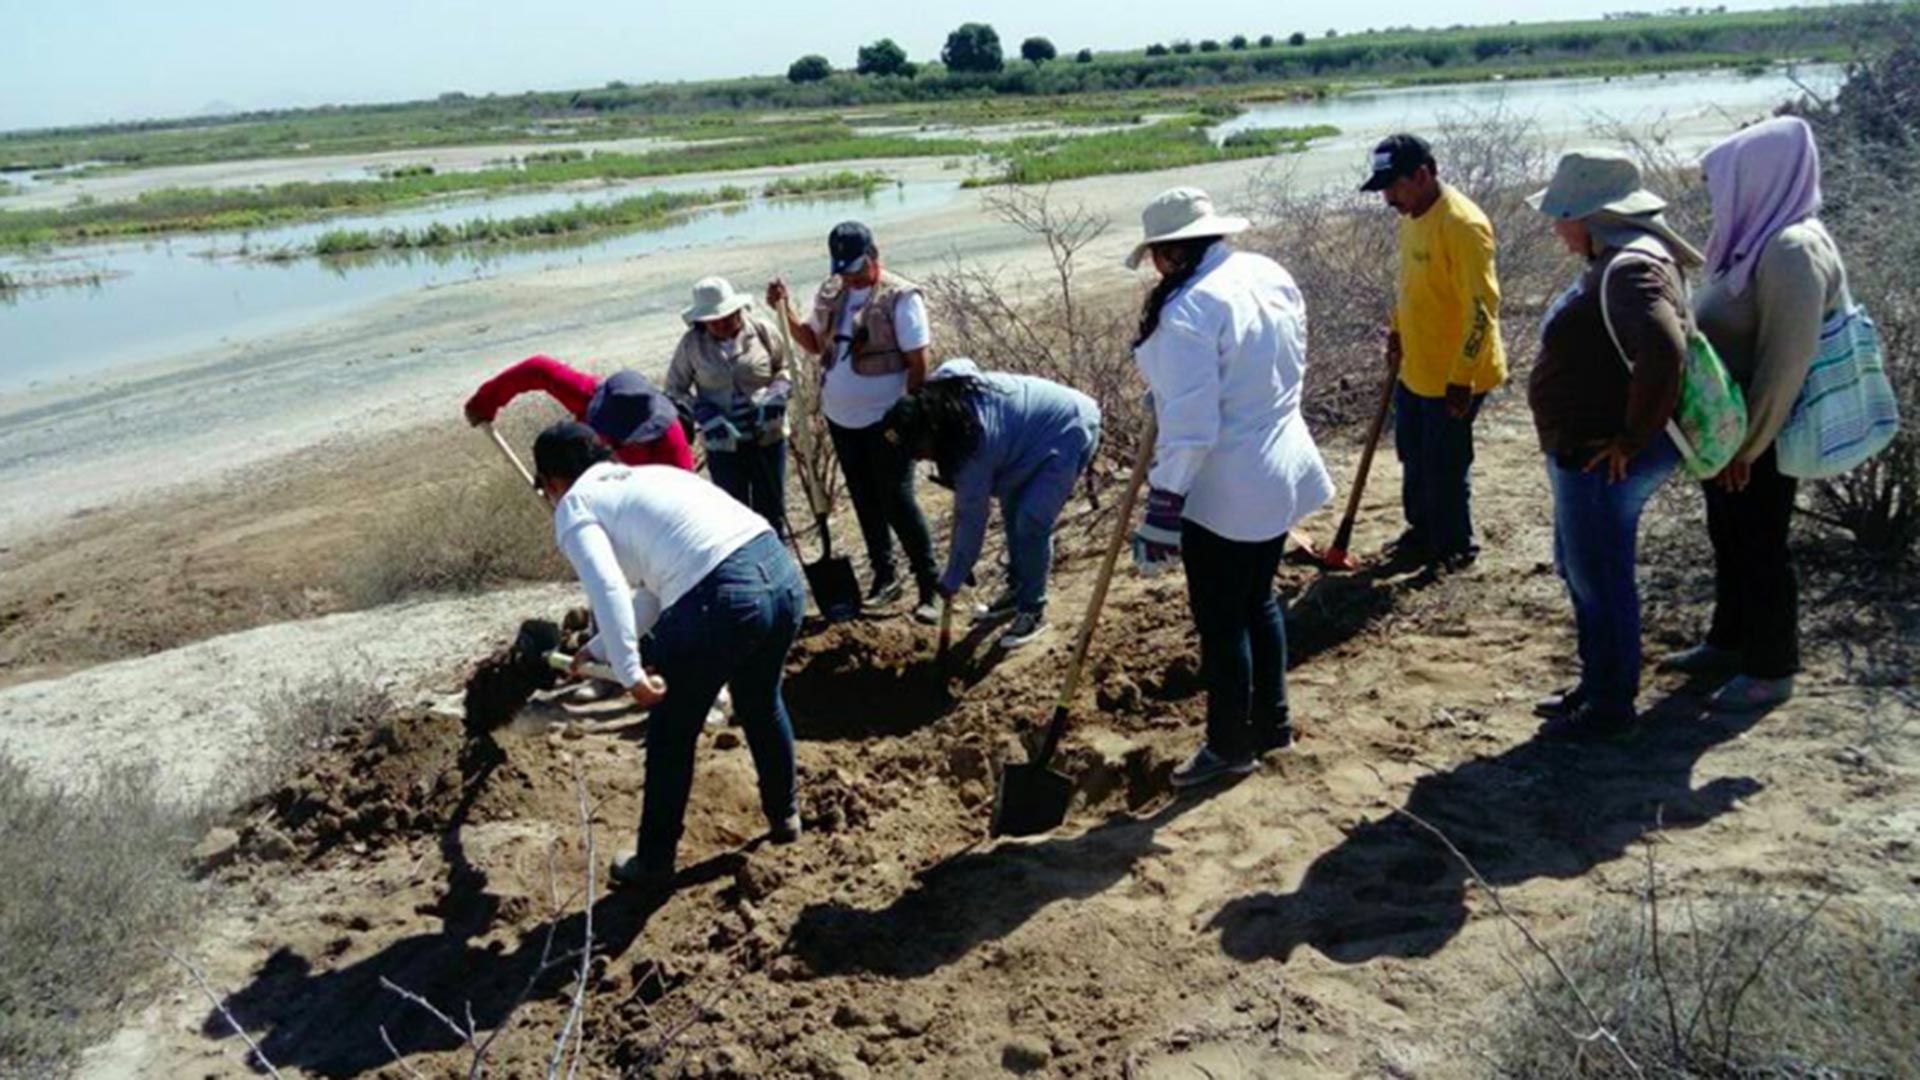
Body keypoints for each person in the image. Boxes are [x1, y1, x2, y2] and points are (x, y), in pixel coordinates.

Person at [532, 421, 805, 892]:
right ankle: (785, 816)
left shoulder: (575, 505)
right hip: (780, 577)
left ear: (554, 481)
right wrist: (596, 650)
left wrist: (630, 672)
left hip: (720, 597)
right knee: (760, 700)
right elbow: (653, 595)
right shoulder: (646, 477)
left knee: (670, 734)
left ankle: (654, 862)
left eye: (546, 489)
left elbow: (609, 589)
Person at [1126, 187, 1335, 788]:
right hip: (1281, 466)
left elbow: (1192, 431)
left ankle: (1229, 745)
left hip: (1225, 487)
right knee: (1258, 600)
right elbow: (1272, 366)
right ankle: (1273, 724)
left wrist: (1163, 506)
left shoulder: (1189, 307)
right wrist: (1167, 390)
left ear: (1168, 253)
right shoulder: (1266, 271)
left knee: (1222, 621)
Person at [1662, 117, 1845, 713]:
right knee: (1731, 535)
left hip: (1759, 434)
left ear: (1760, 177)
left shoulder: (1792, 249)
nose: (1719, 194)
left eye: (1728, 179)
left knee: (1763, 543)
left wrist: (1748, 446)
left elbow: (1784, 364)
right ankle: (1729, 640)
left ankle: (1771, 668)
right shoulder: (1757, 238)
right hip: (1732, 430)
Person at [1526, 150, 1701, 739]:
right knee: (1583, 568)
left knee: (1599, 574)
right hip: (1583, 453)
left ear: (1592, 216)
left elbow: (1664, 349)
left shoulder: (1629, 268)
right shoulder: (1626, 259)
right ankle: (1597, 684)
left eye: (1561, 214)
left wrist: (1632, 438)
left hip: (1599, 457)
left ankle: (1609, 706)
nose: (1555, 226)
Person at [766, 221, 941, 623]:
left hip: (888, 419)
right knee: (864, 499)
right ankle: (885, 577)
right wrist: (785, 310)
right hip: (841, 418)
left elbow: (918, 363)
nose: (849, 273)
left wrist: (909, 415)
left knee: (896, 500)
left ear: (873, 254)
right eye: (843, 266)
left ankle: (929, 584)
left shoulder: (901, 297)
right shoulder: (832, 292)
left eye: (856, 264)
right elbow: (812, 343)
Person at [882, 359, 1101, 650]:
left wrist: (952, 579)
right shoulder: (945, 400)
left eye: (918, 449)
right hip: (1024, 440)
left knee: (1031, 519)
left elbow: (971, 517)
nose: (920, 458)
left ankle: (1032, 610)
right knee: (1012, 508)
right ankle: (1017, 588)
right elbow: (960, 365)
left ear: (930, 431)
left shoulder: (973, 440)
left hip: (1068, 427)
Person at [1362, 134, 1508, 568]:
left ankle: (1454, 545)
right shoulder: (1412, 213)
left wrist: (1461, 377)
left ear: (1422, 175)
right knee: (1413, 452)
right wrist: (1396, 330)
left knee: (1444, 462)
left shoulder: (1462, 225)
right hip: (1417, 366)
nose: (1388, 197)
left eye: (1394, 186)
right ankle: (1421, 530)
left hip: (1456, 374)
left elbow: (1483, 309)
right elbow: (1410, 284)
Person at [664, 276, 793, 533]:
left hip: (768, 436)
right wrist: (702, 413)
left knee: (773, 512)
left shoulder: (762, 331)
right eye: (713, 320)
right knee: (735, 516)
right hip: (724, 445)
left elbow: (788, 366)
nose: (721, 324)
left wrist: (777, 393)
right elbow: (674, 390)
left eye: (726, 316)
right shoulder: (691, 345)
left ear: (737, 309)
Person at [465, 356, 694, 470]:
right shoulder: (588, 396)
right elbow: (536, 369)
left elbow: (684, 500)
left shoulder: (669, 444)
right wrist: (486, 400)